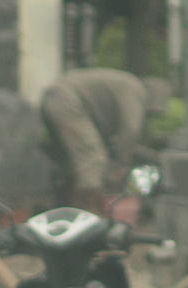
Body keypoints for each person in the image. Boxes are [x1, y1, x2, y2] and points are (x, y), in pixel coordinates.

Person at [39, 67, 171, 213]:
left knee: (72, 165)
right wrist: (120, 166)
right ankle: (92, 214)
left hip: (53, 98)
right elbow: (130, 132)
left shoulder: (125, 84)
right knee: (93, 160)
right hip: (66, 101)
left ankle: (63, 209)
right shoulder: (135, 90)